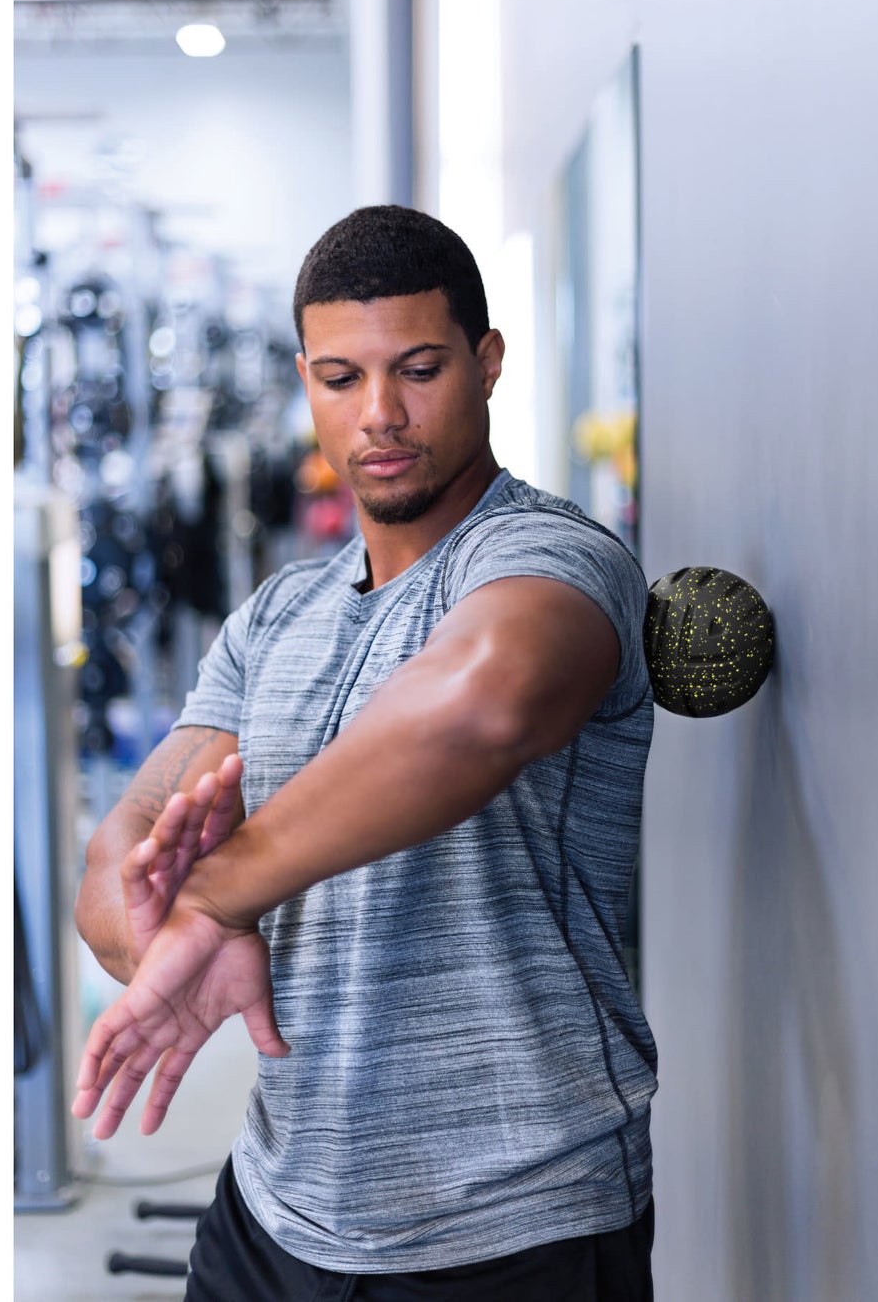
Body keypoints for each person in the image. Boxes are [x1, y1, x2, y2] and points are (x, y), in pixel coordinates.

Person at [73, 205, 658, 1300]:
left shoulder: (555, 562)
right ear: (305, 381)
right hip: (276, 1207)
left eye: (418, 368)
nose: (379, 415)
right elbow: (119, 862)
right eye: (340, 378)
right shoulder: (278, 614)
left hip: (512, 1219)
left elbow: (476, 707)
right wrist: (175, 924)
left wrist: (219, 895)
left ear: (486, 362)